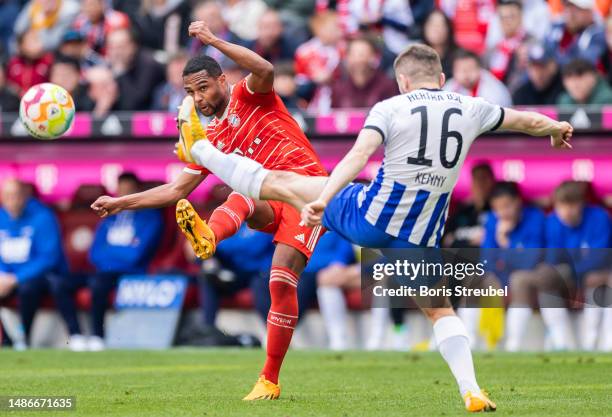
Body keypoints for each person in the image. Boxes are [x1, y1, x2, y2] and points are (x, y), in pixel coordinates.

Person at [174, 43, 573, 412]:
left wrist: (324, 196)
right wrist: (556, 128)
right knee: (440, 312)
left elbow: (357, 156)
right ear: (441, 80)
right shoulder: (474, 108)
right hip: (418, 233)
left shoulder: (391, 107)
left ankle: (202, 150)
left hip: (370, 215)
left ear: (402, 81)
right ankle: (471, 389)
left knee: (282, 184)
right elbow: (524, 119)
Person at [91, 19, 328, 401]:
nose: (199, 98)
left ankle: (268, 377)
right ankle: (208, 236)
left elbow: (266, 69)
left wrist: (214, 40)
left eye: (203, 87)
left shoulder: (251, 96)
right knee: (244, 189)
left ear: (222, 81)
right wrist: (122, 202)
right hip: (270, 199)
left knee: (280, 282)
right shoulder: (210, 140)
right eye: (190, 92)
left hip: (308, 195)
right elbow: (176, 189)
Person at [56, 173, 163, 351]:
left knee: (98, 285)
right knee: (61, 283)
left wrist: (111, 251)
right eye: (121, 190)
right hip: (102, 270)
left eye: (129, 191)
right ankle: (76, 335)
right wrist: (123, 250)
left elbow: (136, 255)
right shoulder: (109, 217)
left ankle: (98, 336)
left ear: (137, 192)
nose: (123, 195)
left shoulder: (150, 217)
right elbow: (94, 253)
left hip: (131, 272)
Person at [544, 181, 611, 351]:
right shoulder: (553, 221)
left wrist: (581, 275)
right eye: (561, 205)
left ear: (581, 203)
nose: (566, 211)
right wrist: (576, 277)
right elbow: (553, 259)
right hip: (572, 277)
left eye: (572, 204)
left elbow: (600, 257)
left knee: (599, 280)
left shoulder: (600, 217)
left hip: (600, 274)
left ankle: (604, 343)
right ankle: (562, 344)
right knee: (547, 278)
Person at [0, 179, 66, 347]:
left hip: (38, 278)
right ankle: (7, 338)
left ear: (25, 196)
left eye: (15, 195)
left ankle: (23, 336)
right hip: (7, 278)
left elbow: (49, 258)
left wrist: (16, 278)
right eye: (7, 196)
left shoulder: (43, 217)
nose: (12, 200)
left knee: (27, 289)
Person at [481, 182, 546, 352]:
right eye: (498, 208)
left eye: (507, 206)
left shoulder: (535, 217)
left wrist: (504, 242)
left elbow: (530, 260)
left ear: (518, 202)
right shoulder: (492, 220)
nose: (502, 213)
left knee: (518, 280)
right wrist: (501, 239)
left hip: (530, 276)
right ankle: (476, 343)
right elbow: (486, 260)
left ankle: (513, 345)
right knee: (475, 280)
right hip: (500, 275)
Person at [105, 28, 166, 110]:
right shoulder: (110, 65)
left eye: (120, 47)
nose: (116, 53)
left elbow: (134, 103)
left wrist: (120, 72)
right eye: (112, 48)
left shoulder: (148, 64)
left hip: (151, 115)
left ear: (133, 46)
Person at [330, 36, 398, 109]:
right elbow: (333, 117)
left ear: (374, 57)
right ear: (347, 58)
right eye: (353, 54)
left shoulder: (387, 85)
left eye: (362, 54)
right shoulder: (339, 87)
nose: (358, 59)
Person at [443, 162, 496, 249]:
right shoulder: (462, 210)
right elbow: (446, 240)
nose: (480, 184)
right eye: (476, 179)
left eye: (484, 178)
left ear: (492, 181)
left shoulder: (499, 210)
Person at [485, 0, 532, 93]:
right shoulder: (494, 49)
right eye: (502, 18)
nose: (506, 22)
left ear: (521, 17)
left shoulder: (532, 44)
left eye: (511, 17)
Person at [544, 0, 607, 66]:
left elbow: (582, 65)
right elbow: (544, 50)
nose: (570, 14)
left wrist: (554, 61)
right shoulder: (559, 28)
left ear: (589, 12)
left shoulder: (597, 34)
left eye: (576, 10)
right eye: (567, 7)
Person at [443, 49, 513, 107]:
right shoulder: (449, 87)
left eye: (470, 69)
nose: (466, 74)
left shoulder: (492, 88)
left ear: (479, 69)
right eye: (461, 70)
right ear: (453, 71)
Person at [13, 0, 79, 53]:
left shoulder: (69, 10)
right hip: (30, 48)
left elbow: (51, 44)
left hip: (55, 55)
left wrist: (42, 22)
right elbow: (18, 29)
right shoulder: (35, 5)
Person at [421, 8, 458, 79]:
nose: (436, 29)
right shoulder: (415, 55)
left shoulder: (459, 56)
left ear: (448, 29)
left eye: (441, 25)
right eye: (432, 25)